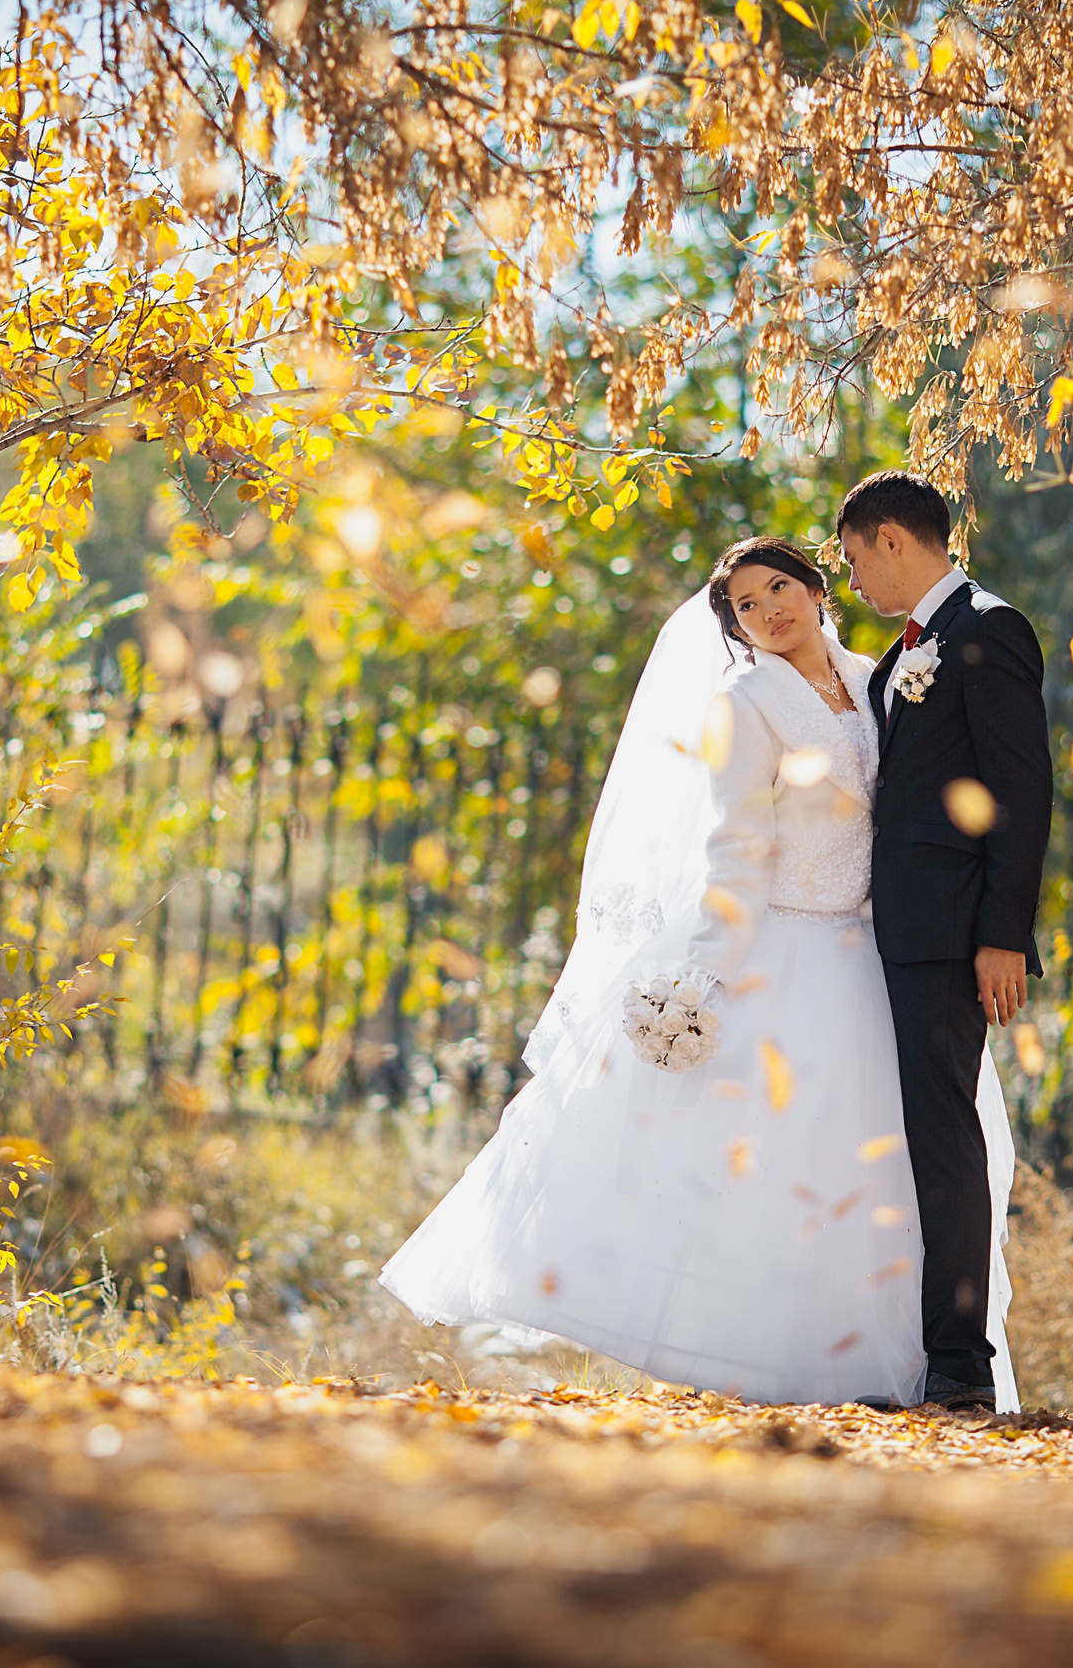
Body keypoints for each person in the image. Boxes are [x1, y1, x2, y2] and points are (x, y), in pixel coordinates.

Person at [381, 533, 1019, 1408]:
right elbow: (738, 847)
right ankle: (779, 1360)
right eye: (747, 607)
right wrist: (706, 973)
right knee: (771, 1160)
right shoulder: (745, 704)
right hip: (786, 947)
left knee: (877, 1165)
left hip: (874, 953)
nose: (768, 611)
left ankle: (887, 1363)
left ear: (817, 588)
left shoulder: (878, 679)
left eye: (779, 588)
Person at [836, 470, 1053, 1412]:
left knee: (943, 1135)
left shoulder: (988, 629)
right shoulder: (902, 654)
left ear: (892, 538)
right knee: (917, 1132)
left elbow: (1020, 791)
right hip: (892, 926)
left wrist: (1002, 935)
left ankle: (960, 1366)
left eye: (855, 561)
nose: (854, 583)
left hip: (951, 931)